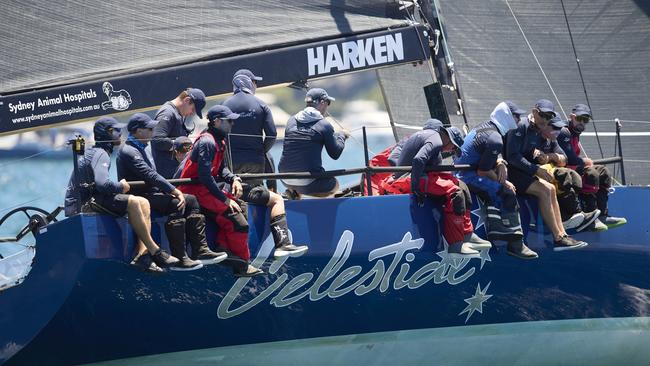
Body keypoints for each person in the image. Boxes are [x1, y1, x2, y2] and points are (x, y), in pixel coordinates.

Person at [64, 117, 179, 272]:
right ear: (107, 133)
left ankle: (142, 255)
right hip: (83, 205)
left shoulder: (97, 152)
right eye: (116, 131)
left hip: (88, 199)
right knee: (132, 201)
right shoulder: (100, 154)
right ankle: (155, 250)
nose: (120, 133)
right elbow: (102, 184)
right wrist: (121, 186)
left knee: (143, 202)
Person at [116, 113, 227, 271]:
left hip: (153, 193)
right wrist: (174, 190)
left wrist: (170, 190)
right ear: (137, 131)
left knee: (192, 200)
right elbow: (149, 174)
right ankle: (180, 258)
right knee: (177, 203)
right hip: (141, 196)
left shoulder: (143, 147)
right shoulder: (128, 150)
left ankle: (200, 250)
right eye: (149, 129)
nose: (153, 131)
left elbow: (154, 175)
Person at [223, 70, 308, 258]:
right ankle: (283, 244)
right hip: (255, 165)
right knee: (273, 198)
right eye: (254, 82)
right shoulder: (261, 105)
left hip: (230, 170)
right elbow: (271, 135)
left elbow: (220, 139)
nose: (256, 85)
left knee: (239, 192)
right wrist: (260, 150)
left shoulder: (224, 106)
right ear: (247, 82)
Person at [383, 119, 491, 257]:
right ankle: (455, 244)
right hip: (407, 179)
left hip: (416, 176)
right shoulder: (436, 140)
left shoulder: (434, 139)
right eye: (454, 147)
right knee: (455, 193)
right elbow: (418, 160)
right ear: (449, 139)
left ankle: (467, 234)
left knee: (462, 186)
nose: (452, 151)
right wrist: (415, 187)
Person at [177, 105, 263, 277]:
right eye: (229, 121)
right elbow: (204, 176)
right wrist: (225, 200)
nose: (233, 124)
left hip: (205, 189)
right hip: (194, 191)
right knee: (239, 222)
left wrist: (233, 179)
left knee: (241, 206)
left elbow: (221, 169)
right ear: (216, 122)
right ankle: (242, 265)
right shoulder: (207, 142)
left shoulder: (219, 141)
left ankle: (223, 248)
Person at [455, 102, 538, 259]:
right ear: (506, 116)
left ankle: (497, 230)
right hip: (467, 176)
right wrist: (504, 182)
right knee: (506, 192)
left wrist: (500, 162)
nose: (519, 119)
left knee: (500, 188)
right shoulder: (496, 138)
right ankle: (516, 244)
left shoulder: (487, 128)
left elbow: (489, 150)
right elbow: (483, 171)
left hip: (464, 171)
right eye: (516, 116)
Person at [504, 99, 587, 251]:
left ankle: (562, 235)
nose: (546, 119)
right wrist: (536, 169)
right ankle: (558, 237)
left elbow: (557, 156)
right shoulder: (522, 126)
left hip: (525, 171)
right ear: (534, 112)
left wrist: (544, 158)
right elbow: (512, 156)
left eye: (549, 116)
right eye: (543, 115)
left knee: (551, 189)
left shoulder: (537, 128)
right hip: (513, 172)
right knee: (545, 190)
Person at [557, 104, 627, 229]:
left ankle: (602, 214)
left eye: (586, 120)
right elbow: (570, 157)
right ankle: (591, 216)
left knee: (603, 172)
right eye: (579, 119)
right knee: (591, 173)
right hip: (564, 169)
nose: (582, 123)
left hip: (573, 167)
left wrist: (583, 162)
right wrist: (585, 161)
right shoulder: (564, 131)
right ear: (572, 117)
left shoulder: (575, 131)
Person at [278, 88, 350, 198]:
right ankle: (320, 208)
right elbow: (335, 154)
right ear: (322, 103)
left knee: (303, 182)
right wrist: (342, 136)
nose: (327, 107)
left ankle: (295, 194)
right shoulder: (324, 125)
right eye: (328, 103)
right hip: (308, 182)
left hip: (284, 179)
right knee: (334, 184)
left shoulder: (291, 120)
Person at [534, 117, 600, 232]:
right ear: (545, 127)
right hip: (536, 174)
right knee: (563, 174)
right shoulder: (534, 138)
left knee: (573, 176)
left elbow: (564, 159)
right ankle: (568, 217)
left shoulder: (552, 140)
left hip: (549, 170)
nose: (558, 131)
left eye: (559, 128)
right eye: (555, 128)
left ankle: (581, 214)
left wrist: (550, 156)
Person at [151, 88, 206, 179]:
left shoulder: (177, 113)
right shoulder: (168, 113)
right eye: (193, 109)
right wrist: (179, 145)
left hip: (176, 172)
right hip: (169, 177)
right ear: (187, 100)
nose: (192, 113)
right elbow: (157, 139)